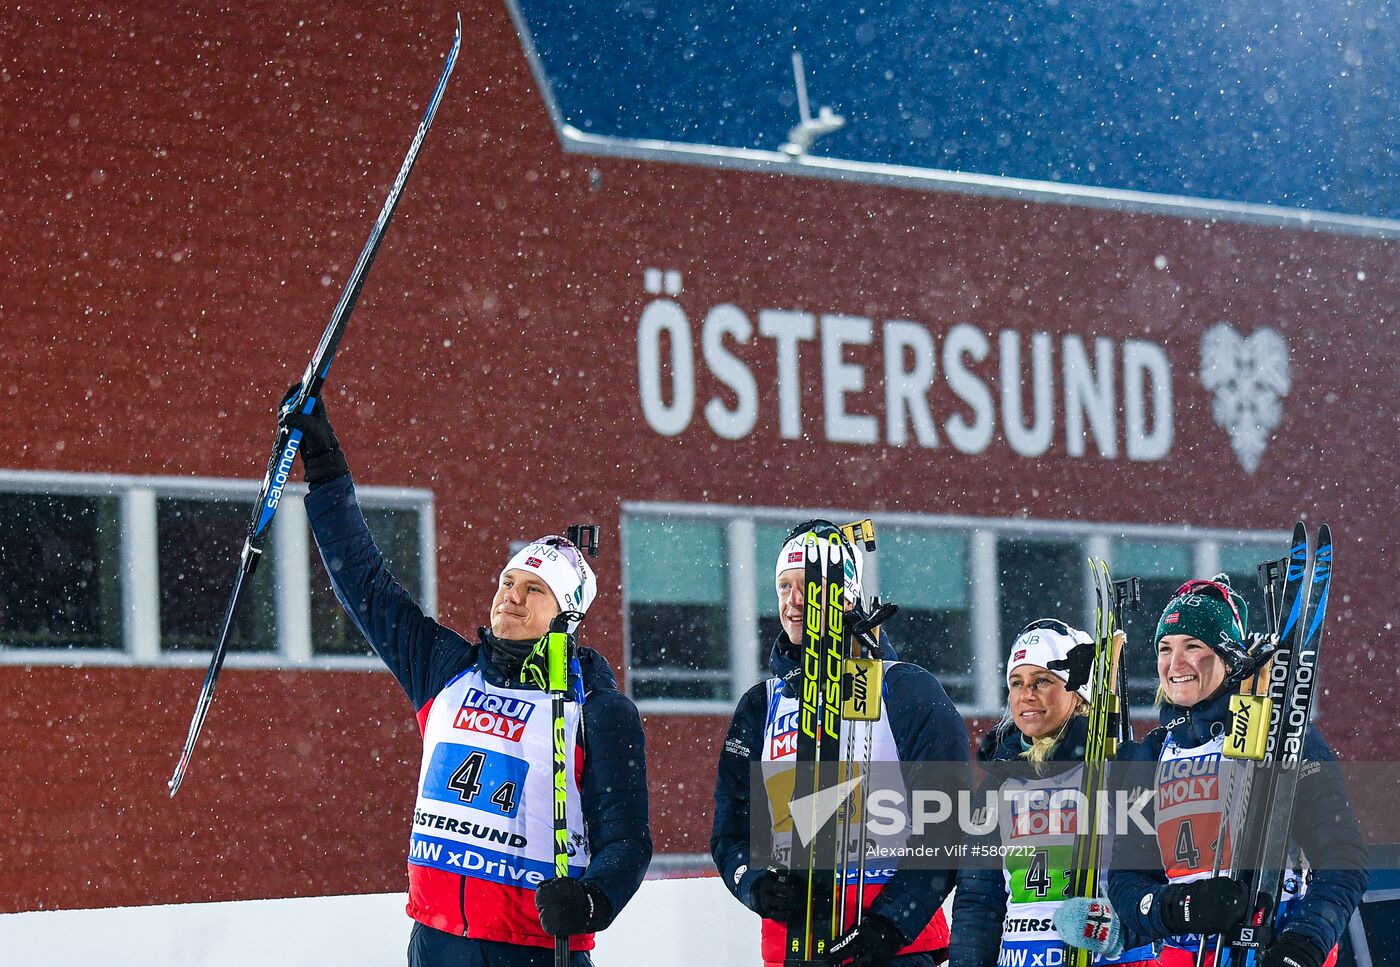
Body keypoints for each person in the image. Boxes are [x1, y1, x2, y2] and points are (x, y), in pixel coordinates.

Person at [283, 396, 652, 967]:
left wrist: (590, 900)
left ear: (567, 614)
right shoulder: (447, 670)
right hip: (435, 941)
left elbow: (627, 842)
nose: (512, 595)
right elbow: (364, 584)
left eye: (534, 589)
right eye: (508, 580)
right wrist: (326, 467)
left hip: (533, 948)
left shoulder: (599, 709)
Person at [1061, 576, 1367, 967]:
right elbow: (1127, 881)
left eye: (1194, 646)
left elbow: (1343, 857)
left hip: (1267, 948)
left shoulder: (1282, 733)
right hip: (1182, 956)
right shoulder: (1154, 753)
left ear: (1227, 656)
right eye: (1165, 649)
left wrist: (1303, 945)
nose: (1176, 664)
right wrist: (1179, 907)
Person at [711, 520, 970, 967]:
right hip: (793, 947)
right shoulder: (762, 704)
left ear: (846, 594)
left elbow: (947, 828)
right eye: (783, 587)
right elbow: (731, 831)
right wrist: (756, 884)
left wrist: (889, 925)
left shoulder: (904, 689)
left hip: (893, 950)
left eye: (806, 586)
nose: (793, 602)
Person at [951, 619, 1158, 967]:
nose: (1026, 695)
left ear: (1079, 692)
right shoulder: (998, 782)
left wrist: (1119, 934)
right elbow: (978, 901)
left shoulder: (1120, 765)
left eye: (1042, 681)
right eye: (1016, 683)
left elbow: (1155, 888)